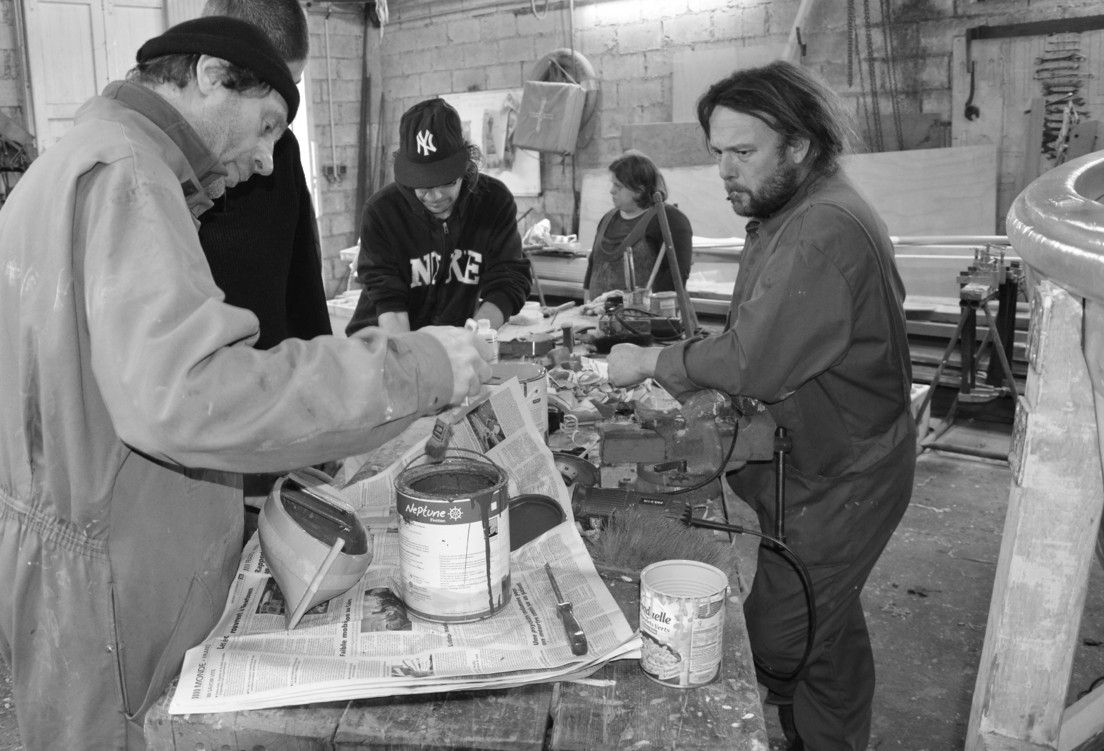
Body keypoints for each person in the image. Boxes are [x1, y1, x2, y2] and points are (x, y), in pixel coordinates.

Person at [0, 16, 490, 751]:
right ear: (212, 77)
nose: (270, 160)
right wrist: (417, 367)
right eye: (268, 125)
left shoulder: (70, 165)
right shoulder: (129, 176)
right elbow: (192, 395)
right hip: (101, 583)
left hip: (56, 554)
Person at [607, 61, 915, 751]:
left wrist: (652, 362)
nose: (724, 170)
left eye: (743, 152)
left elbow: (754, 359)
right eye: (717, 152)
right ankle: (830, 735)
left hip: (845, 474)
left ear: (799, 145)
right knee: (827, 620)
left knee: (781, 637)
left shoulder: (820, 229)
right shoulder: (794, 211)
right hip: (824, 454)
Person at [197, 0, 330, 349]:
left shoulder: (282, 151)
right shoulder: (157, 168)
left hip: (279, 371)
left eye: (292, 89)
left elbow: (304, 283)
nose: (281, 109)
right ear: (216, 75)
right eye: (270, 90)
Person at [345, 97, 532, 335]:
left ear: (465, 166)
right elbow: (389, 299)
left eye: (446, 183)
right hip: (385, 342)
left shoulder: (493, 202)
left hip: (452, 340)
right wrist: (413, 353)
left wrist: (474, 335)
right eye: (422, 186)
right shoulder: (382, 212)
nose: (435, 196)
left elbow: (508, 280)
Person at [582, 150, 693, 302]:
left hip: (647, 315)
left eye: (618, 186)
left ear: (639, 190)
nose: (611, 191)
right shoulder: (608, 219)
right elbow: (592, 267)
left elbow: (675, 279)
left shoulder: (669, 220)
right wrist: (587, 306)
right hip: (598, 313)